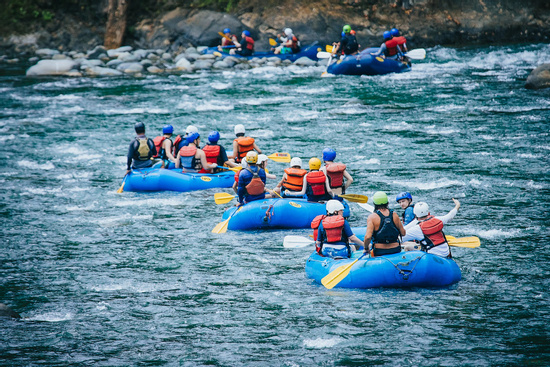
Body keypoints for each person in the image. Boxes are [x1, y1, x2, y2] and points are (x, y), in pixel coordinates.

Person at [363, 191, 406, 257]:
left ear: (374, 204)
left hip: (380, 251)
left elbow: (368, 237)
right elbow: (403, 233)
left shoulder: (372, 217)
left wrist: (366, 248)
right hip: (395, 249)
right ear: (387, 203)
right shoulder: (394, 215)